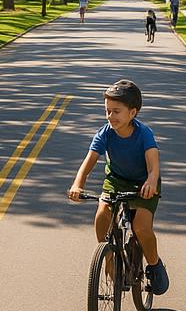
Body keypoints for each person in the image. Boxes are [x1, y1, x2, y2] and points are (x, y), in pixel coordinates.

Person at [67, 79, 169, 295]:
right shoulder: (105, 133)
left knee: (141, 227)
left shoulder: (144, 134)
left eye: (116, 112)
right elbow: (89, 161)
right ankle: (108, 257)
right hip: (116, 179)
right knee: (102, 213)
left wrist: (151, 182)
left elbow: (153, 166)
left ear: (133, 113)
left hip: (144, 183)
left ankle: (154, 264)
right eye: (108, 111)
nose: (111, 117)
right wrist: (78, 184)